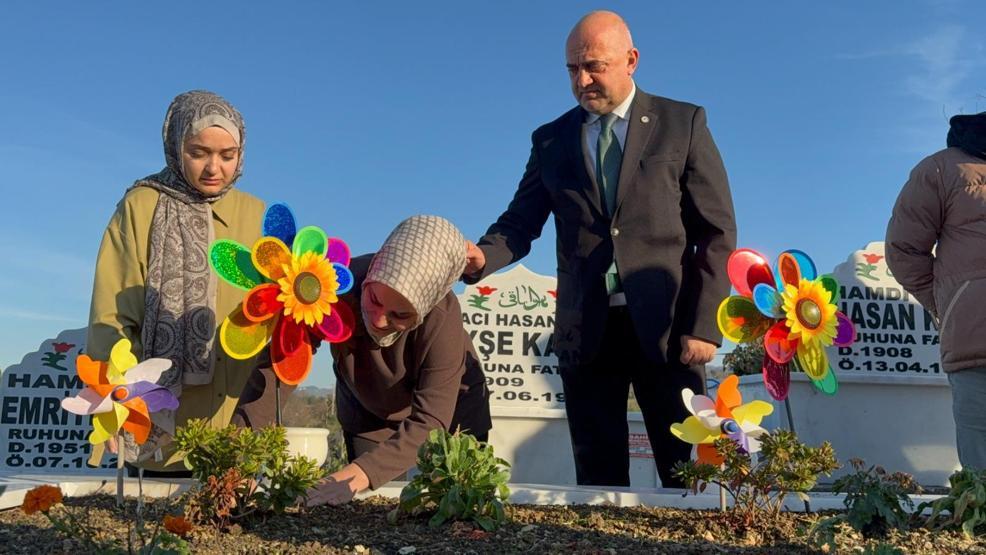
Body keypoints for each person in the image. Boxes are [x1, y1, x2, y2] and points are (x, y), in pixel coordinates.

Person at [462, 11, 736, 487]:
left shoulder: (683, 123)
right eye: (572, 70)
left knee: (687, 473)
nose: (582, 80)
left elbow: (715, 231)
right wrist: (483, 257)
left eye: (594, 66)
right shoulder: (550, 140)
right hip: (586, 331)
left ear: (631, 60)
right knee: (597, 478)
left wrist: (704, 324)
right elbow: (520, 221)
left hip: (668, 331)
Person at [87, 90, 266, 474]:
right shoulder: (141, 205)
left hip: (234, 418)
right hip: (155, 419)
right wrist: (119, 403)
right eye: (199, 152)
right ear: (174, 144)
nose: (213, 168)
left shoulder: (257, 214)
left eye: (227, 155)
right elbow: (112, 314)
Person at [307, 215, 492, 506]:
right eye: (374, 299)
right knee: (366, 503)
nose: (379, 320)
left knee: (456, 505)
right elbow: (281, 360)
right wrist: (240, 462)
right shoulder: (334, 284)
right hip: (367, 405)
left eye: (400, 315)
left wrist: (360, 473)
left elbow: (430, 420)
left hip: (451, 410)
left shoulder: (443, 319)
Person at [886, 110, 986, 470]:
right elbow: (904, 250)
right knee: (982, 480)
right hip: (977, 348)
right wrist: (950, 301)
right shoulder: (942, 169)